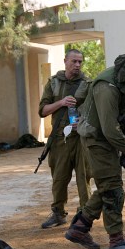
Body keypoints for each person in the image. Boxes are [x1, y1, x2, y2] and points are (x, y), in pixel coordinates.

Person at [63, 52, 125, 249]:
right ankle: (116, 240)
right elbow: (108, 128)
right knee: (114, 191)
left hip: (106, 138)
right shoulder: (107, 87)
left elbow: (116, 118)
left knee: (108, 185)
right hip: (97, 140)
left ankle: (80, 227)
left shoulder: (122, 81)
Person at [37, 49, 93, 229]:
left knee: (84, 178)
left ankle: (84, 215)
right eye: (74, 61)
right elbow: (42, 111)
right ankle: (58, 213)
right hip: (60, 139)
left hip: (81, 138)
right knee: (59, 178)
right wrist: (60, 103)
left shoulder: (88, 84)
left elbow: (95, 111)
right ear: (65, 61)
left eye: (80, 62)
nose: (77, 65)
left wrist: (83, 122)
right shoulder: (53, 83)